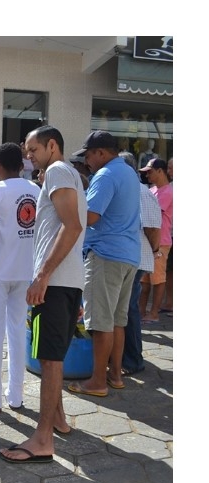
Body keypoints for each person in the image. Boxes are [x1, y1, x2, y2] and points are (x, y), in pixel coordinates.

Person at [1, 126, 87, 465]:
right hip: (66, 281)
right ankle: (59, 421)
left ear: (53, 145)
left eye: (34, 149)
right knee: (54, 355)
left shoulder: (57, 170)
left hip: (56, 282)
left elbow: (73, 225)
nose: (29, 156)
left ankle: (42, 438)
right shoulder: (65, 174)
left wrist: (42, 275)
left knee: (49, 359)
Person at [74, 131, 143, 398]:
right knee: (117, 321)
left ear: (101, 153)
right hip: (129, 256)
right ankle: (115, 375)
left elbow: (90, 216)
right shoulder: (128, 172)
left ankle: (97, 381)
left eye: (88, 155)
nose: (87, 161)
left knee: (101, 322)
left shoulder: (105, 175)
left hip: (106, 255)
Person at [123, 164, 164, 375]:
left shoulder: (141, 192)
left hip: (136, 259)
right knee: (125, 309)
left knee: (129, 309)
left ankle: (132, 360)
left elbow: (153, 229)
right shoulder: (132, 189)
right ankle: (126, 357)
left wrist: (155, 250)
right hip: (128, 258)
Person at [140, 156, 172, 323]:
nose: (147, 175)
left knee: (158, 279)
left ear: (160, 171)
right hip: (147, 240)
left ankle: (154, 313)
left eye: (150, 172)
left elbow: (152, 215)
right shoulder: (151, 191)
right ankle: (141, 311)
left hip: (161, 242)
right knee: (144, 280)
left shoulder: (168, 192)